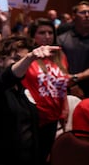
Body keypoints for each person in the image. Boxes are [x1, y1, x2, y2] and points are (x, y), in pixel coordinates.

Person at [0, 35, 61, 165]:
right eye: (16, 59)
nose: (22, 64)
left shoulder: (22, 90)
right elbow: (7, 77)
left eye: (23, 60)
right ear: (0, 61)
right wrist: (29, 57)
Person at [21, 18, 70, 164]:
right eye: (42, 32)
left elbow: (62, 83)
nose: (47, 36)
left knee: (44, 157)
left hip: (53, 116)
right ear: (32, 36)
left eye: (50, 32)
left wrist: (65, 107)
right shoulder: (27, 56)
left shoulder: (60, 55)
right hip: (32, 117)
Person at [58, 1, 89, 99]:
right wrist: (73, 85)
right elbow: (58, 65)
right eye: (83, 12)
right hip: (67, 89)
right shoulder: (62, 39)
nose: (87, 15)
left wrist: (76, 78)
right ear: (74, 16)